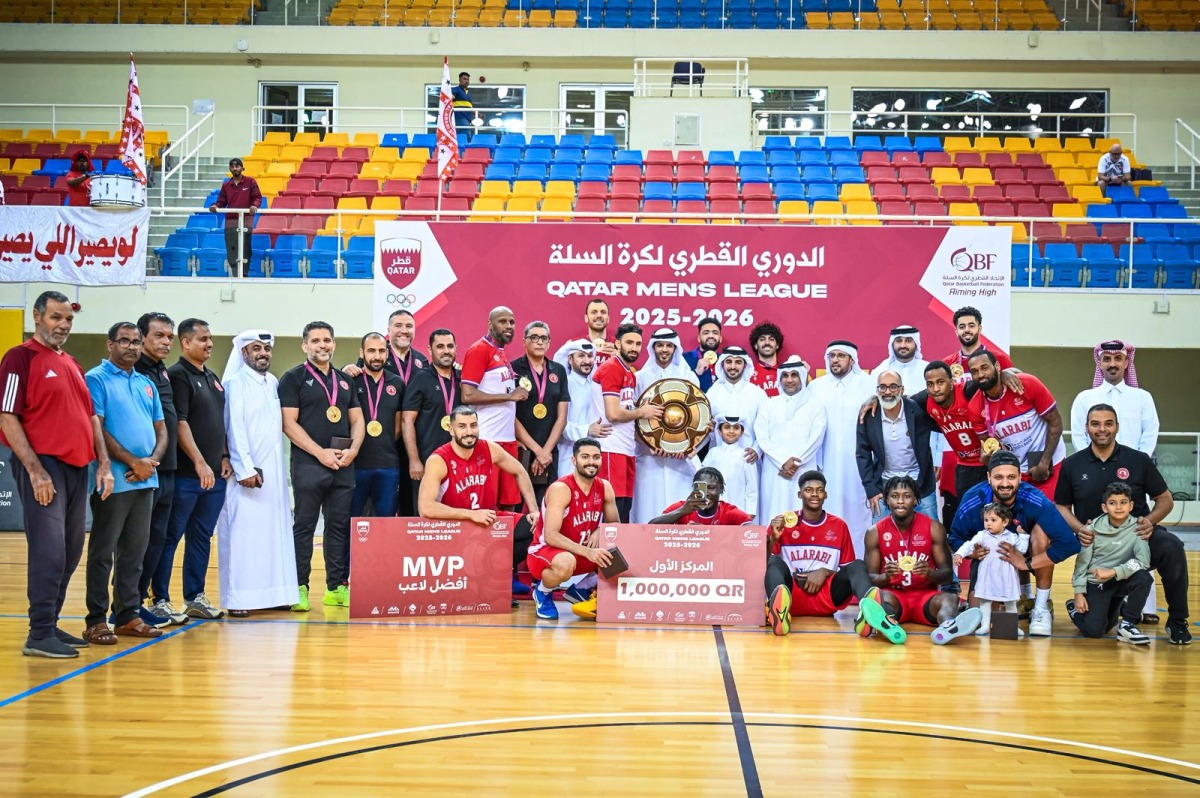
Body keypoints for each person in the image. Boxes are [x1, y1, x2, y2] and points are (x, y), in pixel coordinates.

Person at [0, 292, 114, 658]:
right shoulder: (19, 358)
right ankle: (39, 633)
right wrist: (35, 471)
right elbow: (6, 415)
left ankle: (49, 624)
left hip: (78, 467)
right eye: (55, 317)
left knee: (70, 550)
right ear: (37, 317)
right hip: (44, 466)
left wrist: (105, 464)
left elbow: (91, 418)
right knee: (49, 551)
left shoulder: (72, 363)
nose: (63, 325)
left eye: (68, 319)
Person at [1055, 403, 1189, 644]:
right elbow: (1061, 506)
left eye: (1108, 423)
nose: (1102, 429)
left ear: (1117, 427)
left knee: (1171, 546)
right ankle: (1111, 604)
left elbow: (1165, 500)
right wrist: (1079, 530)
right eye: (1095, 424)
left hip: (1136, 538)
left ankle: (1178, 622)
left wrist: (1149, 522)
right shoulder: (1072, 465)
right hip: (1099, 550)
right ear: (1086, 428)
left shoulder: (1138, 460)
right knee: (1097, 629)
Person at [82, 322, 168, 645]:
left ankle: (127, 615)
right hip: (115, 481)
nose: (131, 347)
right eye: (124, 341)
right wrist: (133, 462)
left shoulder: (146, 383)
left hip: (146, 480)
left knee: (135, 552)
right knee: (104, 552)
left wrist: (151, 462)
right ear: (110, 345)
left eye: (136, 342)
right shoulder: (96, 379)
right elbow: (97, 428)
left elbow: (161, 429)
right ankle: (95, 620)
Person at [279, 321, 363, 611]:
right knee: (304, 527)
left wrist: (353, 450)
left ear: (334, 344)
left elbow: (357, 420)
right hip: (308, 465)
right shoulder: (293, 378)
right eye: (315, 341)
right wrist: (320, 453)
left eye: (327, 340)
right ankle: (298, 587)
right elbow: (288, 424)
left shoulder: (345, 380)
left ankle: (336, 587)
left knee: (339, 526)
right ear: (305, 345)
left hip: (342, 464)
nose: (322, 345)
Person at [950, 451, 1081, 637]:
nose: (1005, 483)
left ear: (1020, 477)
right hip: (989, 560)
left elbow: (1069, 544)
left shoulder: (1035, 499)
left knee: (1042, 532)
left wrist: (1026, 564)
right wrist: (973, 553)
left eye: (1011, 477)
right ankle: (1019, 600)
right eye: (998, 477)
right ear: (988, 477)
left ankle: (1040, 608)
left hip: (1026, 554)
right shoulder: (973, 499)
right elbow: (954, 538)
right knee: (979, 616)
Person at [218, 330, 298, 617]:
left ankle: (276, 594)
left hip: (273, 476)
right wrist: (244, 469)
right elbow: (234, 428)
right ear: (243, 353)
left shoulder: (273, 382)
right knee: (243, 536)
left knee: (274, 535)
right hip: (248, 476)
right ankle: (239, 599)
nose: (263, 353)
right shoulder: (234, 383)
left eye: (266, 348)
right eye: (256, 348)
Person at [160, 318, 231, 621]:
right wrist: (200, 462)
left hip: (214, 476)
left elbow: (219, 423)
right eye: (202, 339)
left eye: (210, 338)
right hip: (188, 475)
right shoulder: (177, 375)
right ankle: (159, 598)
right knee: (170, 536)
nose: (209, 343)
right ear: (185, 343)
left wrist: (224, 457)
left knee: (202, 537)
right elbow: (181, 423)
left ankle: (195, 597)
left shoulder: (212, 377)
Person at [861, 476, 983, 646]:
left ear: (916, 500)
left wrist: (929, 574)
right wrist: (885, 577)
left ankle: (948, 625)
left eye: (907, 496)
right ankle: (887, 623)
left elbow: (947, 575)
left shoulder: (934, 527)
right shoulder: (874, 532)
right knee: (882, 598)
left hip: (925, 597)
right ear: (887, 499)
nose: (901, 501)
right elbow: (870, 578)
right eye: (895, 496)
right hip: (894, 595)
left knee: (950, 599)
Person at [763, 470, 876, 637]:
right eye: (809, 490)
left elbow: (848, 571)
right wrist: (773, 538)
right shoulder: (782, 522)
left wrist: (823, 572)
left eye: (819, 490)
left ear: (826, 495)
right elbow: (762, 565)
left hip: (826, 597)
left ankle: (870, 614)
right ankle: (778, 613)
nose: (814, 494)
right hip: (791, 596)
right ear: (800, 494)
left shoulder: (839, 526)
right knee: (773, 561)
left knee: (857, 565)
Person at [346, 309, 429, 516]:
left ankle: (402, 544)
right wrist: (346, 369)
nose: (404, 331)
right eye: (398, 326)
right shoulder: (376, 356)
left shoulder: (422, 361)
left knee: (408, 497)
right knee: (364, 509)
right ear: (388, 330)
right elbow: (356, 377)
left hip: (413, 440)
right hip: (380, 446)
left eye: (409, 326)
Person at [526, 438, 620, 621]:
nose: (591, 462)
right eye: (585, 457)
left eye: (596, 457)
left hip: (581, 553)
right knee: (566, 562)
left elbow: (616, 525)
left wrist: (600, 530)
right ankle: (542, 592)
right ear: (574, 460)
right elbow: (551, 536)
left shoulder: (605, 487)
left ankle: (581, 590)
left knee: (621, 556)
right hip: (546, 552)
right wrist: (589, 552)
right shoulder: (561, 488)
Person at [134, 312, 187, 627]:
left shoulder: (161, 370)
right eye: (159, 336)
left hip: (168, 469)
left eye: (169, 336)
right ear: (142, 337)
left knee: (158, 538)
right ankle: (125, 605)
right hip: (144, 469)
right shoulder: (134, 371)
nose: (166, 341)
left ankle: (141, 601)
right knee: (137, 542)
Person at [806, 340, 876, 554]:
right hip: (824, 462)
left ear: (852, 359)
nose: (835, 360)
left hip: (859, 465)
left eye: (840, 355)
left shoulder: (868, 384)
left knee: (858, 513)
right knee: (827, 509)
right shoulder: (816, 387)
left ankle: (859, 563)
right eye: (831, 356)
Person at [967, 350, 1065, 499]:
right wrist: (987, 457)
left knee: (1050, 517)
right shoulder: (975, 407)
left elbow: (1055, 423)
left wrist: (1044, 463)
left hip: (1050, 464)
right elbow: (990, 445)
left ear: (997, 366)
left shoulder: (1027, 384)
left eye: (984, 367)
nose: (980, 374)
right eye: (974, 371)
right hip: (1015, 473)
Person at [630, 328, 702, 524]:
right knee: (647, 511)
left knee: (677, 510)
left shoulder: (689, 377)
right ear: (653, 348)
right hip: (648, 457)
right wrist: (650, 444)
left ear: (675, 348)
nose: (664, 350)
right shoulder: (640, 378)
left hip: (680, 461)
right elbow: (631, 418)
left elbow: (699, 419)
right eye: (660, 345)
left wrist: (684, 446)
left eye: (669, 346)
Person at [1067, 481, 1153, 645]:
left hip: (1119, 579)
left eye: (1123, 502)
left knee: (1144, 578)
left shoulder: (1138, 528)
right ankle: (1074, 610)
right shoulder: (1091, 530)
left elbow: (1143, 562)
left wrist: (1113, 571)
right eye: (1113, 503)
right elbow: (1081, 564)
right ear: (1105, 507)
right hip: (1098, 582)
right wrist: (1078, 593)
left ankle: (1127, 624)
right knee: (1096, 631)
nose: (1119, 507)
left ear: (1131, 505)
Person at [593, 323, 662, 523]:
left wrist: (650, 443)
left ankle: (617, 554)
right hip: (609, 448)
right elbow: (613, 414)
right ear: (617, 343)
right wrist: (643, 412)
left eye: (638, 343)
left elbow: (627, 417)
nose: (634, 347)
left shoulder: (629, 373)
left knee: (624, 510)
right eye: (629, 342)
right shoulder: (611, 368)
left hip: (626, 449)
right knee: (611, 512)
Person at [461, 306, 526, 511]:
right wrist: (509, 396)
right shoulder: (479, 349)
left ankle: (506, 545)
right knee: (486, 505)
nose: (508, 326)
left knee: (508, 505)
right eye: (502, 321)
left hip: (507, 440)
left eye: (512, 322)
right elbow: (467, 395)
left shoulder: (500, 352)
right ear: (490, 324)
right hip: (488, 440)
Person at [856, 370, 938, 523]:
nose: (887, 392)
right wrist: (871, 490)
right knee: (881, 538)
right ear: (877, 390)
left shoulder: (918, 410)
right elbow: (862, 453)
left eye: (893, 387)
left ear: (902, 389)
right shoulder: (868, 414)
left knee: (932, 536)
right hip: (884, 486)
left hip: (920, 484)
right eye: (882, 387)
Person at [755, 356, 824, 524]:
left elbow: (816, 438)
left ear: (801, 377)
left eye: (794, 375)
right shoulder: (769, 404)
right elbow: (762, 437)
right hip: (774, 470)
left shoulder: (815, 405)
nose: (789, 380)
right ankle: (772, 549)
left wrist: (794, 463)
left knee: (802, 511)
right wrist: (782, 462)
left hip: (803, 468)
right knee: (773, 512)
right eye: (785, 375)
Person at [512, 320, 571, 509]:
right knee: (518, 505)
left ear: (549, 342)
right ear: (524, 341)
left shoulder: (558, 371)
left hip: (549, 452)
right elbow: (509, 415)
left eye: (543, 338)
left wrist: (545, 451)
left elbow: (562, 418)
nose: (539, 342)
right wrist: (537, 451)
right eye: (534, 337)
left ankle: (541, 540)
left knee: (547, 505)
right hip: (521, 450)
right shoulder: (513, 369)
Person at [401, 328, 461, 509]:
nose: (446, 351)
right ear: (430, 349)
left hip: (458, 460)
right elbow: (407, 421)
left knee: (455, 513)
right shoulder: (420, 379)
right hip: (427, 461)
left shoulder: (463, 379)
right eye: (440, 346)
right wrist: (414, 460)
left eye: (450, 346)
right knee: (425, 516)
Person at [1069, 339, 1158, 456]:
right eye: (1106, 359)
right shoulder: (1084, 398)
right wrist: (1089, 462)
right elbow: (1078, 435)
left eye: (1118, 358)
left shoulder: (1142, 398)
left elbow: (1150, 433)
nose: (1112, 364)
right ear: (1099, 363)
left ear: (1126, 363)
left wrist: (1139, 462)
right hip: (1095, 466)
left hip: (1132, 466)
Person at [952, 502, 1028, 637]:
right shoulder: (982, 535)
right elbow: (969, 545)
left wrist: (1023, 536)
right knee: (985, 600)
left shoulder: (1010, 536)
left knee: (1010, 602)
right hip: (987, 574)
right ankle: (985, 625)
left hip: (1006, 575)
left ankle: (1013, 627)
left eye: (993, 520)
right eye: (986, 520)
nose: (988, 524)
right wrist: (959, 554)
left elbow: (1022, 549)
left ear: (1005, 522)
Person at [349, 332, 405, 519]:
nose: (377, 356)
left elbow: (398, 425)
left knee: (386, 520)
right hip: (356, 463)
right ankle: (349, 551)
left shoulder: (397, 383)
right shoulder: (350, 379)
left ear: (387, 353)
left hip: (388, 464)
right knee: (353, 519)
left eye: (382, 351)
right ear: (361, 352)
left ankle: (384, 551)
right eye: (371, 350)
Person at [552, 338, 609, 467]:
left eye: (590, 356)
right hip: (569, 455)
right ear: (570, 359)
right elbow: (558, 424)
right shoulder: (564, 384)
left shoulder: (597, 386)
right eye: (581, 356)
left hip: (597, 454)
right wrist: (587, 430)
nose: (587, 361)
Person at [705, 346, 767, 464]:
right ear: (722, 365)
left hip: (749, 459)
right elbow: (707, 427)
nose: (733, 367)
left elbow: (765, 427)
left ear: (745, 365)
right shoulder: (712, 393)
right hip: (719, 460)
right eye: (729, 362)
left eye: (738, 362)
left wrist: (757, 450)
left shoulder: (758, 394)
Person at [208, 157, 263, 277]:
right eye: (232, 167)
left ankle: (244, 273)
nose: (235, 168)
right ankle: (235, 274)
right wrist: (215, 206)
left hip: (246, 219)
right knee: (232, 248)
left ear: (242, 168)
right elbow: (221, 201)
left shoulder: (250, 181)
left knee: (245, 246)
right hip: (231, 220)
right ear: (230, 169)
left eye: (237, 166)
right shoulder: (226, 185)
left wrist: (254, 206)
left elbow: (258, 197)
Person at [648, 466, 755, 526]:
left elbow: (756, 535)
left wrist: (707, 534)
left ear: (720, 489)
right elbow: (650, 527)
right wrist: (682, 511)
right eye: (702, 487)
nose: (706, 493)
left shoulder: (729, 512)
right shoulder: (682, 506)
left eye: (711, 488)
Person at [701, 416, 758, 520]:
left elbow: (751, 486)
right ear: (719, 431)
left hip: (738, 509)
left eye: (736, 428)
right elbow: (702, 477)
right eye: (727, 427)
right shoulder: (713, 452)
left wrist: (750, 511)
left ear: (741, 432)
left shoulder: (745, 454)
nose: (731, 431)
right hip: (713, 508)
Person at [944, 306, 1013, 380]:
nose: (967, 330)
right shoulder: (947, 364)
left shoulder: (999, 358)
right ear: (956, 332)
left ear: (979, 329)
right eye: (962, 327)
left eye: (971, 326)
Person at [872, 325, 927, 396]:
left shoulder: (927, 370)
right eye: (899, 341)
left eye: (908, 341)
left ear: (916, 344)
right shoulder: (880, 371)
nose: (903, 345)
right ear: (892, 344)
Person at [682, 316, 723, 392]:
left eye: (715, 333)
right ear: (699, 338)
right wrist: (696, 372)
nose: (711, 336)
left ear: (720, 338)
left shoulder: (725, 361)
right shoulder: (684, 359)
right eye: (706, 333)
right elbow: (679, 387)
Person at [748, 320, 785, 397]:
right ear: (756, 345)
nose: (767, 342)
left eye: (771, 339)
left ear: (777, 345)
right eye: (762, 339)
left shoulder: (786, 372)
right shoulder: (747, 372)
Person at [583, 298, 617, 368]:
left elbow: (632, 374)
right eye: (594, 312)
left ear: (608, 318)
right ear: (586, 318)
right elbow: (562, 373)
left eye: (603, 312)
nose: (599, 315)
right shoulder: (574, 345)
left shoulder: (618, 345)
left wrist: (620, 358)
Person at [452, 71, 474, 136]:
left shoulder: (468, 94)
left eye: (468, 79)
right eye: (464, 79)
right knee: (464, 136)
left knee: (467, 136)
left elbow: (469, 107)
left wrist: (478, 114)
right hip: (459, 118)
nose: (466, 81)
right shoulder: (456, 89)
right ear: (459, 80)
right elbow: (449, 98)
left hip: (468, 119)